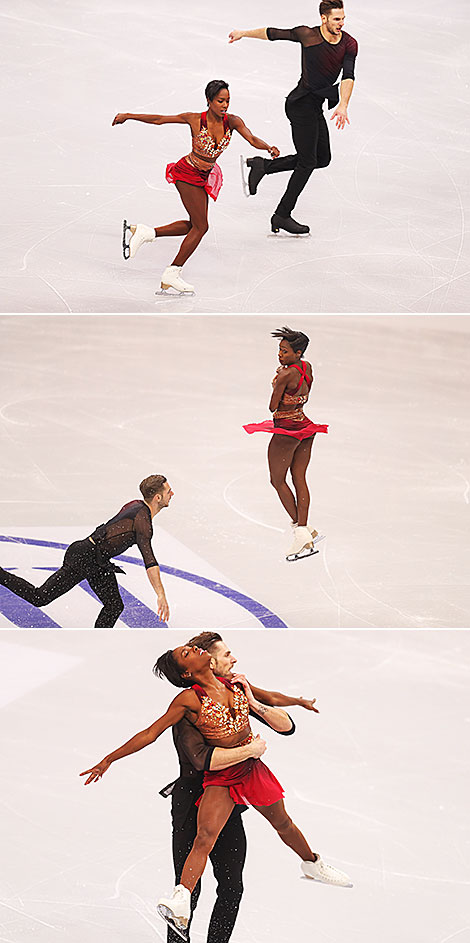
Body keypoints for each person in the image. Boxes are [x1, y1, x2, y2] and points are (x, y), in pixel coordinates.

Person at [81, 644, 352, 938]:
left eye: (192, 647)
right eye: (187, 653)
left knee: (281, 824)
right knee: (204, 837)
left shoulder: (232, 683)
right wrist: (109, 759)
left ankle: (313, 864)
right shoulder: (188, 699)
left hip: (250, 770)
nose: (194, 649)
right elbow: (151, 732)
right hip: (218, 777)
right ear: (187, 672)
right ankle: (181, 896)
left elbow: (269, 697)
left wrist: (298, 701)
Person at [161, 630, 310, 943]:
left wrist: (281, 704)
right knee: (188, 889)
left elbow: (283, 721)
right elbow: (202, 760)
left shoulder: (233, 690)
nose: (234, 660)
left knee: (231, 886)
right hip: (193, 800)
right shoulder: (189, 708)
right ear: (209, 663)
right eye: (226, 655)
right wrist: (250, 750)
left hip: (229, 797)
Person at [112, 80, 279, 294]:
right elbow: (159, 120)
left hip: (203, 175)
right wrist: (128, 116)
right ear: (209, 101)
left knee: (195, 225)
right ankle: (171, 273)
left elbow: (252, 138)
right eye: (220, 101)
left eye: (227, 100)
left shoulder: (233, 121)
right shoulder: (194, 119)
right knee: (201, 227)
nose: (225, 105)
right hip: (186, 173)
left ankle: (146, 233)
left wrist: (268, 147)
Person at [229, 1, 358, 234]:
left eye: (343, 18)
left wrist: (343, 105)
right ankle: (281, 214)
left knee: (322, 158)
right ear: (324, 18)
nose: (341, 23)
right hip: (300, 106)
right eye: (336, 19)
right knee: (308, 162)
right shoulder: (308, 35)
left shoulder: (349, 43)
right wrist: (243, 33)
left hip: (315, 106)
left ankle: (263, 166)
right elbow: (273, 34)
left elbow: (349, 75)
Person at [0, 475, 172, 627]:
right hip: (83, 557)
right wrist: (160, 595)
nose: (172, 494)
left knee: (114, 606)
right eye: (168, 491)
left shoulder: (135, 505)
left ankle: (97, 639)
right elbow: (150, 561)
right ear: (158, 497)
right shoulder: (143, 524)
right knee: (40, 597)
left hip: (97, 561)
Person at [243, 327, 328, 561]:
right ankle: (306, 528)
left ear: (297, 352)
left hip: (286, 431)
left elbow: (273, 406)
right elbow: (303, 390)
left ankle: (300, 531)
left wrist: (275, 383)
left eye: (284, 351)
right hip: (305, 426)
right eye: (279, 350)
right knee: (299, 478)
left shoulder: (284, 375)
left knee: (277, 480)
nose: (280, 355)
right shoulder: (306, 367)